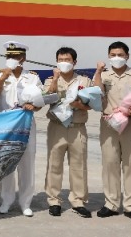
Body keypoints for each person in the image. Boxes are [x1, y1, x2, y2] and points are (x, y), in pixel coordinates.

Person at [93, 41, 131, 223]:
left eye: (120, 54)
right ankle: (111, 204)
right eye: (113, 55)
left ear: (127, 56)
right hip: (109, 123)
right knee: (109, 163)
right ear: (108, 56)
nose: (116, 58)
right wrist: (97, 72)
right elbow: (95, 94)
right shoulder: (103, 75)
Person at [0, 41, 42, 217]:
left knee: (27, 163)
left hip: (26, 122)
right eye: (8, 56)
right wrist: (4, 76)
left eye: (14, 57)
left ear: (23, 58)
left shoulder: (32, 77)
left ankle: (25, 202)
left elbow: (40, 102)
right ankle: (6, 200)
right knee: (6, 163)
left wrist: (33, 107)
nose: (11, 59)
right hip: (5, 124)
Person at [42, 47, 92, 218]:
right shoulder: (50, 79)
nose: (64, 63)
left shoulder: (84, 80)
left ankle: (78, 201)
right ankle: (54, 200)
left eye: (67, 60)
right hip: (57, 127)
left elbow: (92, 105)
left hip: (77, 127)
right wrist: (56, 78)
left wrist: (78, 105)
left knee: (79, 166)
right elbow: (46, 97)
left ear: (74, 62)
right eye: (61, 60)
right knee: (54, 165)